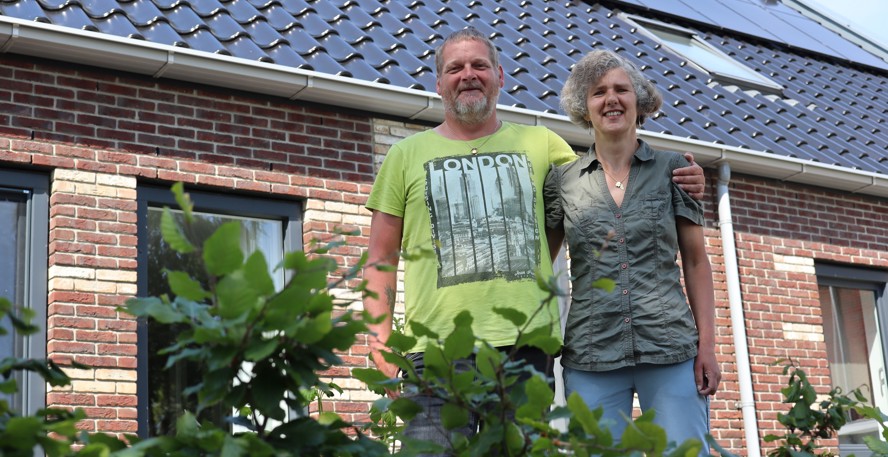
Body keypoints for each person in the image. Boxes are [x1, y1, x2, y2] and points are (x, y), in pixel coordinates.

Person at [363, 28, 705, 453]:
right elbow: (380, 258)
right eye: (455, 68)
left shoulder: (541, 143)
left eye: (479, 65)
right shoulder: (404, 155)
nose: (468, 75)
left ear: (500, 76)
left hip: (525, 349)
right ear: (439, 83)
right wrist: (378, 342)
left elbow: (612, 168)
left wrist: (679, 173)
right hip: (433, 353)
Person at [544, 49, 720, 454]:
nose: (611, 99)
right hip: (591, 355)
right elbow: (543, 267)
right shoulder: (562, 182)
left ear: (638, 102)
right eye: (598, 92)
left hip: (671, 349)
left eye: (621, 89)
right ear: (583, 107)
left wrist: (707, 346)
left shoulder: (675, 169)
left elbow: (696, 261)